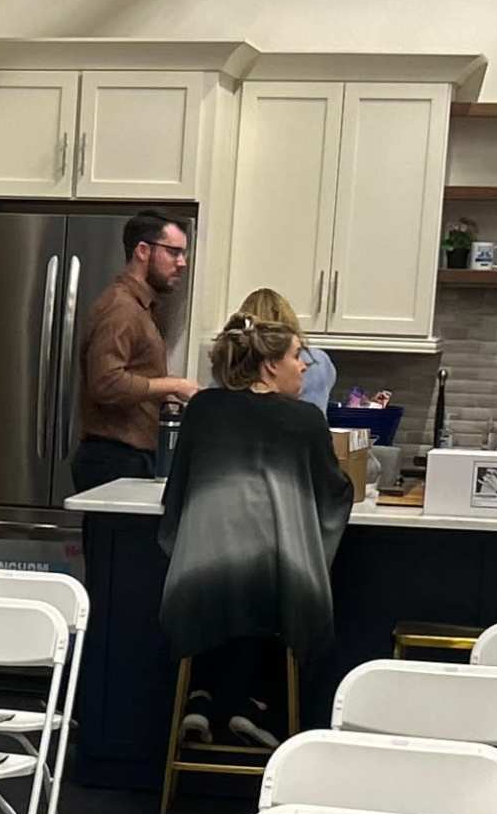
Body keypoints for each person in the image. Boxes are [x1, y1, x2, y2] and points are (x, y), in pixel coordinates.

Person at [158, 293, 347, 749]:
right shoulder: (304, 421)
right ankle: (259, 705)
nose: (304, 366)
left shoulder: (202, 410)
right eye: (296, 358)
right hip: (276, 585)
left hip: (196, 578)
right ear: (269, 368)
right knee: (278, 580)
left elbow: (177, 493)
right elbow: (334, 494)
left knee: (224, 581)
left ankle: (201, 697)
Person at [72, 210, 196, 492]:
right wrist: (173, 384)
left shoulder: (140, 307)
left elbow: (129, 376)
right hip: (115, 458)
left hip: (126, 457)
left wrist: (167, 392)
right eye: (173, 252)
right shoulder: (123, 308)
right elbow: (106, 383)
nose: (182, 263)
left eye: (183, 254)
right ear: (142, 250)